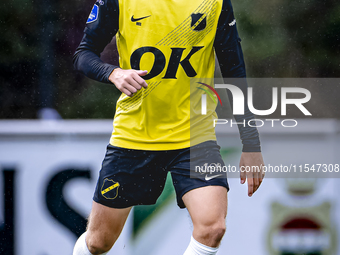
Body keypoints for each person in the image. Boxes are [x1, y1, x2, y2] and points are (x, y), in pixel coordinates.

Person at [72, 0, 265, 254]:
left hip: (195, 138)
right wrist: (113, 73)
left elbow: (234, 70)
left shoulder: (215, 2)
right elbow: (83, 54)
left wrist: (251, 142)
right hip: (135, 137)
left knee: (212, 228)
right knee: (99, 242)